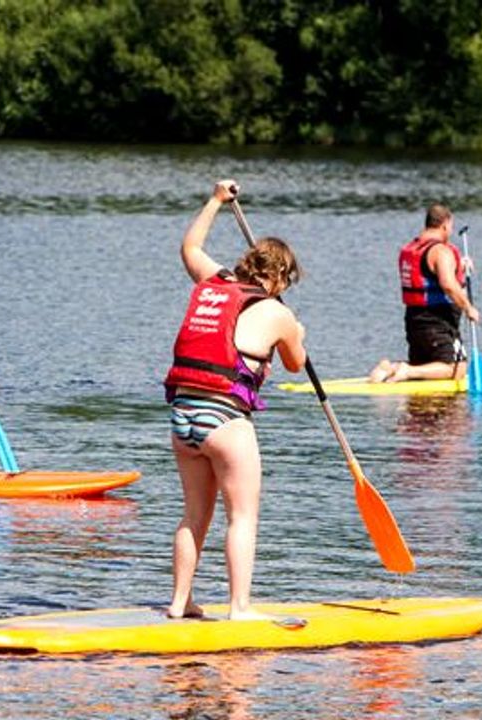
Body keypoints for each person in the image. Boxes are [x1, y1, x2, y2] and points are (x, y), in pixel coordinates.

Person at [163, 180, 307, 621]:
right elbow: (296, 364)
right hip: (226, 420)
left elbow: (190, 246)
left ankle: (178, 601)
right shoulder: (279, 313)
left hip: (182, 418)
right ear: (280, 278)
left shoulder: (215, 280)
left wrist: (214, 201)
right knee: (242, 516)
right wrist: (295, 330)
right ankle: (240, 608)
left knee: (194, 515)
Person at [369, 203, 480, 383]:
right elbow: (448, 285)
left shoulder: (412, 248)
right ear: (445, 225)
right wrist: (468, 308)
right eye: (450, 228)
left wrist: (459, 264)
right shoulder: (441, 251)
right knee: (455, 369)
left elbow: (430, 272)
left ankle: (390, 369)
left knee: (426, 365)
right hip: (437, 321)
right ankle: (404, 370)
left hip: (414, 319)